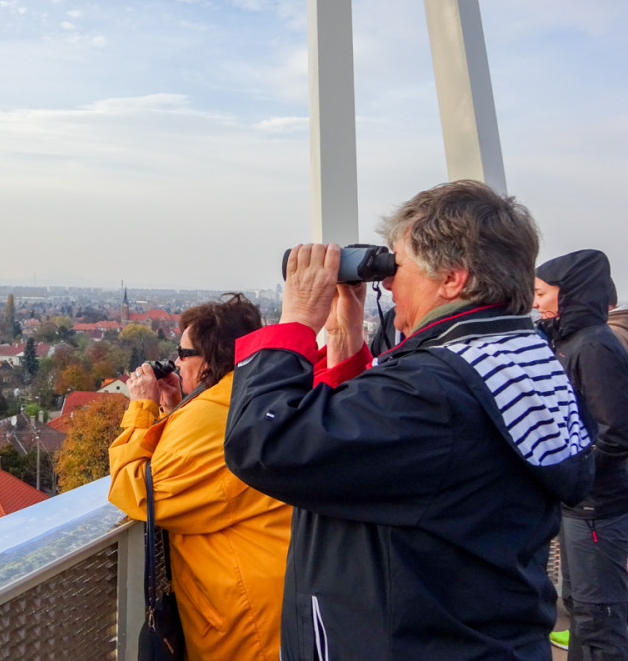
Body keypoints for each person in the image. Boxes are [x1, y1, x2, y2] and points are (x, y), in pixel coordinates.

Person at [224, 180, 595, 660]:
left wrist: (294, 321)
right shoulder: (510, 360)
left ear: (452, 279)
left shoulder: (436, 391)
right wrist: (345, 344)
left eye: (396, 265)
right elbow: (384, 456)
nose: (387, 282)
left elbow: (264, 441)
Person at [108, 293, 292, 661]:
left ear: (208, 360)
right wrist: (179, 408)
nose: (176, 362)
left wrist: (141, 407)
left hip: (246, 625)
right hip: (277, 602)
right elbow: (201, 469)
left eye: (183, 353)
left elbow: (135, 491)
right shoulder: (251, 397)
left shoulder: (209, 418)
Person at [535, 250, 628, 660]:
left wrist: (578, 475)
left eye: (541, 293)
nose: (536, 302)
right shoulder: (570, 340)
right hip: (579, 505)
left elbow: (616, 431)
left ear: (567, 293)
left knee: (599, 616)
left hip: (598, 507)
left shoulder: (593, 346)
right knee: (579, 609)